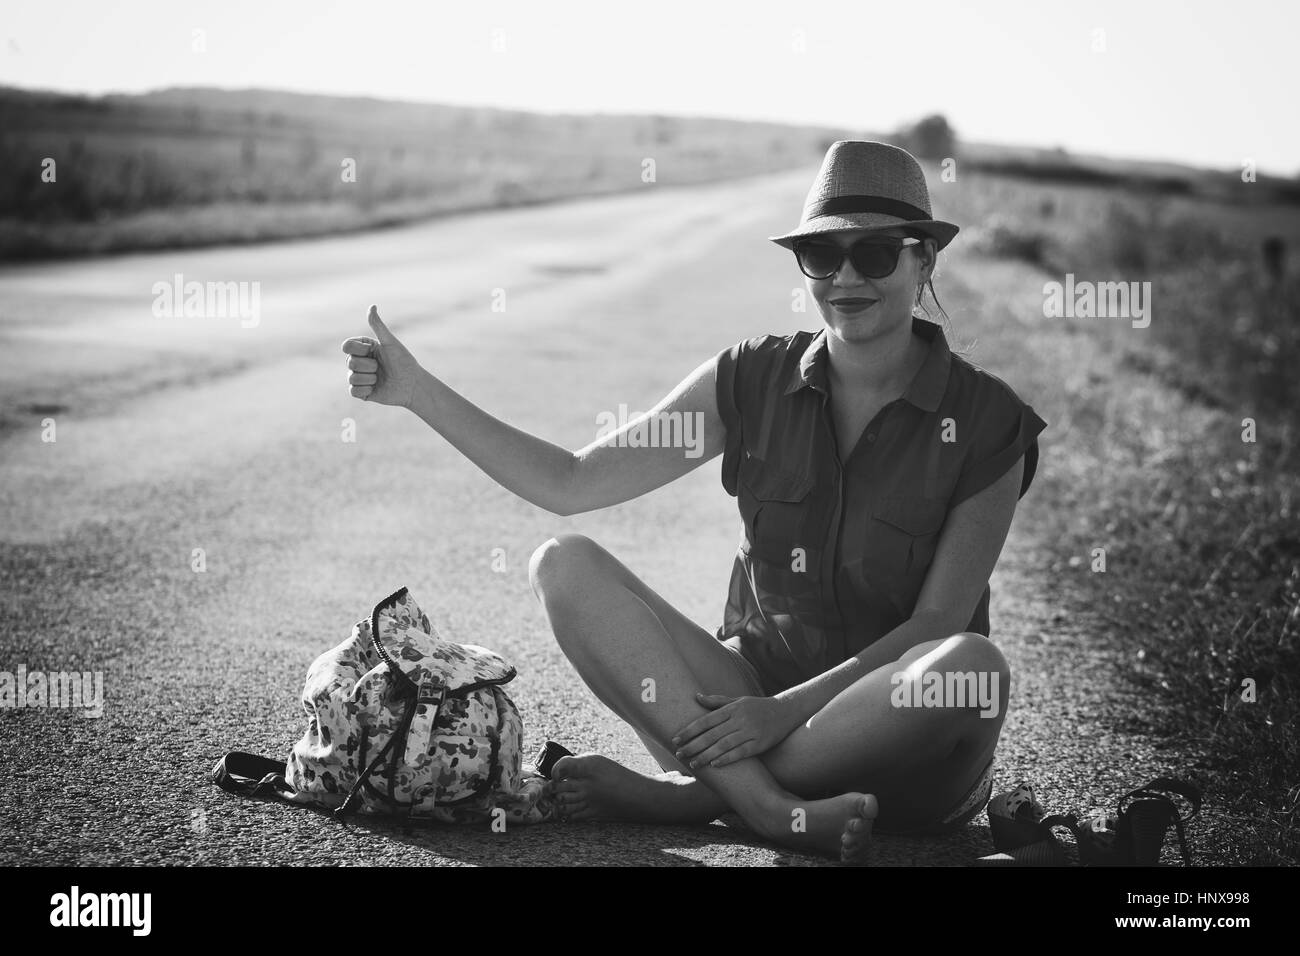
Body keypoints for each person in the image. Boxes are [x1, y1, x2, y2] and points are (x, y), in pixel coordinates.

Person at [340, 141, 1047, 863]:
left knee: (972, 666)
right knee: (564, 564)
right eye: (821, 256)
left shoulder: (991, 423)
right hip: (735, 712)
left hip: (904, 752)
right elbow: (570, 481)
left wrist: (782, 715)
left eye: (873, 254)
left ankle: (696, 797)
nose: (844, 278)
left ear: (924, 258)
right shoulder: (749, 380)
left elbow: (936, 621)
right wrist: (419, 393)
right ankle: (767, 808)